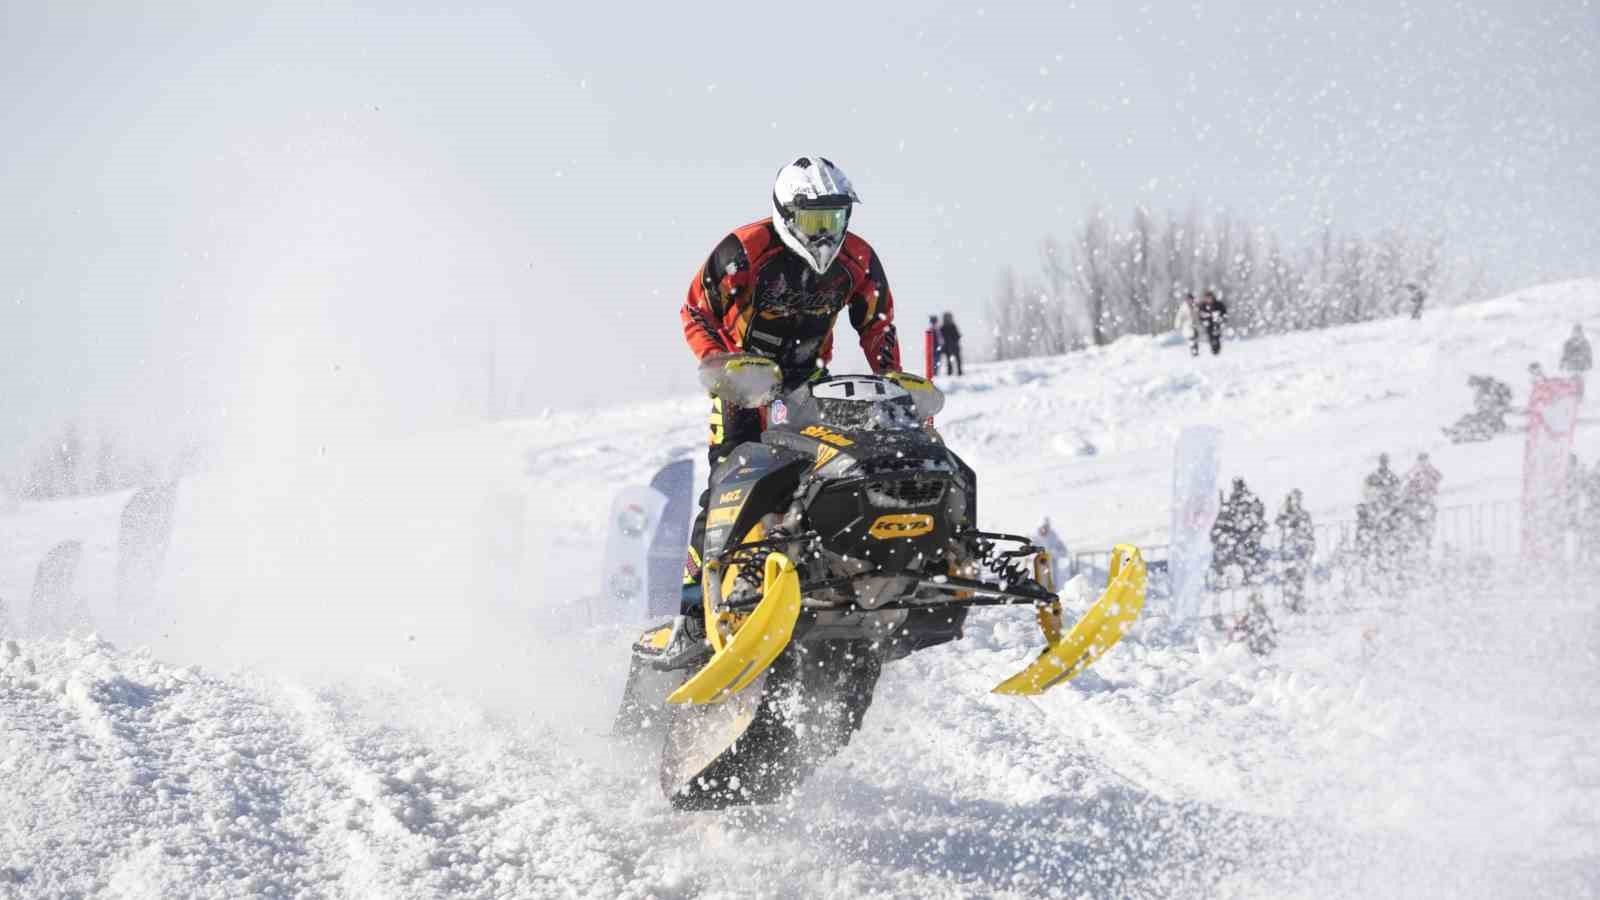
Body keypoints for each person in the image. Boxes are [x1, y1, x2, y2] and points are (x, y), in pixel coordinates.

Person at [678, 156, 900, 615]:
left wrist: (892, 383)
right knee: (729, 484)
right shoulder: (743, 250)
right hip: (742, 384)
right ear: (786, 213)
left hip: (811, 382)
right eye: (814, 219)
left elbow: (878, 323)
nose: (824, 232)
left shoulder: (857, 258)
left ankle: (830, 574)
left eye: (833, 218)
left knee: (834, 469)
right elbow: (695, 310)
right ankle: (694, 607)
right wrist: (722, 363)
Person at [1275, 489, 1315, 613]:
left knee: (1299, 579)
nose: (1297, 501)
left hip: (1301, 550)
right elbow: (1280, 522)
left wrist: (1310, 547)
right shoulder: (1285, 515)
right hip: (1289, 551)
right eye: (1294, 499)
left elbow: (1309, 533)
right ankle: (1289, 604)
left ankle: (1298, 603)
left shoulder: (1304, 514)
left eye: (1299, 498)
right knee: (1288, 578)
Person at [1197, 290, 1227, 355]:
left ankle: (1217, 348)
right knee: (1210, 336)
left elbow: (1224, 313)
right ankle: (1213, 348)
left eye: (1210, 298)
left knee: (1216, 335)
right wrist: (1203, 320)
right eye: (1207, 298)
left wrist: (1222, 319)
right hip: (1208, 323)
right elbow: (1200, 315)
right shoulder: (1203, 305)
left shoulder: (1218, 304)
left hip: (1217, 322)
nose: (1208, 299)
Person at [1174, 292, 1199, 357]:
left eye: (1190, 299)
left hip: (1195, 325)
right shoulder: (1183, 307)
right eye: (1188, 299)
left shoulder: (1195, 306)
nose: (1189, 301)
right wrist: (1177, 325)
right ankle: (1193, 350)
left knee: (1195, 337)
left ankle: (1195, 349)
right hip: (1187, 325)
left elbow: (1199, 314)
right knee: (1191, 337)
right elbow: (1179, 316)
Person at [939, 312, 963, 376]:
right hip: (949, 347)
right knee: (951, 360)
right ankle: (952, 372)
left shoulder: (952, 326)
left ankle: (957, 372)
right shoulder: (944, 327)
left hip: (952, 346)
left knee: (955, 360)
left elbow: (957, 336)